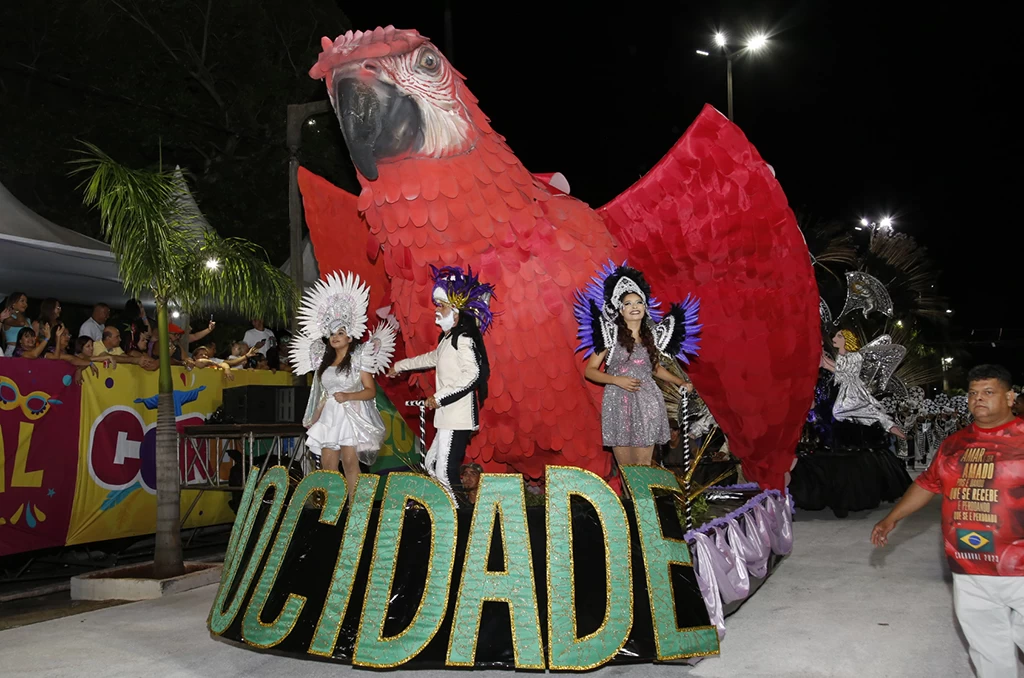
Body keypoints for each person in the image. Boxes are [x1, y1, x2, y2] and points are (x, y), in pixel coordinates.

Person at [872, 365, 1024, 677]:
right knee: (988, 650)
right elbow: (927, 483)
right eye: (972, 393)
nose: (978, 399)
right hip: (969, 566)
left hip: (1020, 569)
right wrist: (892, 518)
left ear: (1010, 397)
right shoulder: (954, 443)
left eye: (988, 392)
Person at [575, 263, 700, 470]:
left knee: (643, 467)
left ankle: (644, 503)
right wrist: (617, 380)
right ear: (620, 309)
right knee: (627, 468)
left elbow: (654, 369)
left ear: (645, 307)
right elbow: (590, 371)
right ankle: (630, 503)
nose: (634, 306)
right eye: (628, 303)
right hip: (617, 403)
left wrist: (681, 381)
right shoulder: (609, 334)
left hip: (647, 401)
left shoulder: (651, 336)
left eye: (639, 302)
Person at [388, 265, 494, 505]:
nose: (437, 311)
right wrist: (401, 365)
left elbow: (472, 374)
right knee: (431, 464)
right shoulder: (448, 339)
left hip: (457, 416)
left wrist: (440, 397)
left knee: (445, 470)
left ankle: (458, 516)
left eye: (441, 306)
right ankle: (447, 509)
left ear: (455, 312)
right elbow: (430, 359)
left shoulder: (463, 339)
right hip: (447, 416)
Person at [291, 271, 397, 501]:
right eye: (332, 334)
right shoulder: (325, 363)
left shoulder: (361, 358)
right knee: (328, 466)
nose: (335, 337)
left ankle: (354, 511)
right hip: (330, 416)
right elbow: (323, 395)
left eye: (341, 333)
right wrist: (315, 415)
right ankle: (333, 512)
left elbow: (370, 392)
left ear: (350, 337)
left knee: (350, 464)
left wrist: (348, 397)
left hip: (351, 416)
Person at [820, 330, 906, 439]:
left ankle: (896, 432)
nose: (834, 339)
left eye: (839, 336)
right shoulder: (841, 355)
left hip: (854, 390)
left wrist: (825, 360)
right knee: (841, 413)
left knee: (843, 412)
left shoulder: (855, 356)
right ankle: (869, 428)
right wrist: (824, 361)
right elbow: (838, 372)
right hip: (846, 389)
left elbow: (841, 370)